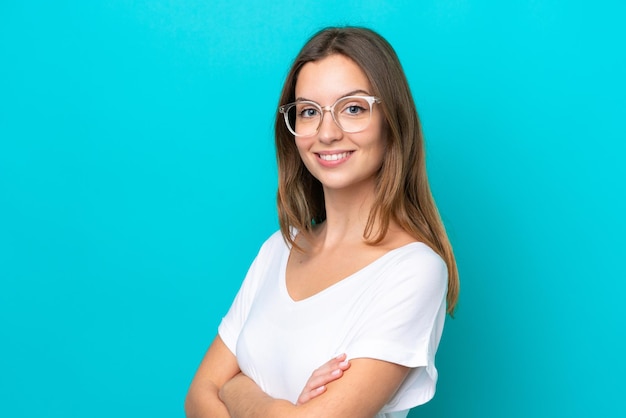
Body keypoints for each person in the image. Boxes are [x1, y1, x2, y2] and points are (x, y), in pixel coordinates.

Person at [185, 26, 459, 418]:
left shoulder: (414, 270)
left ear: (391, 119)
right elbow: (197, 397)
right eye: (309, 112)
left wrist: (239, 389)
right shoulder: (280, 248)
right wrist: (279, 408)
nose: (327, 133)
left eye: (352, 108)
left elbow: (223, 391)